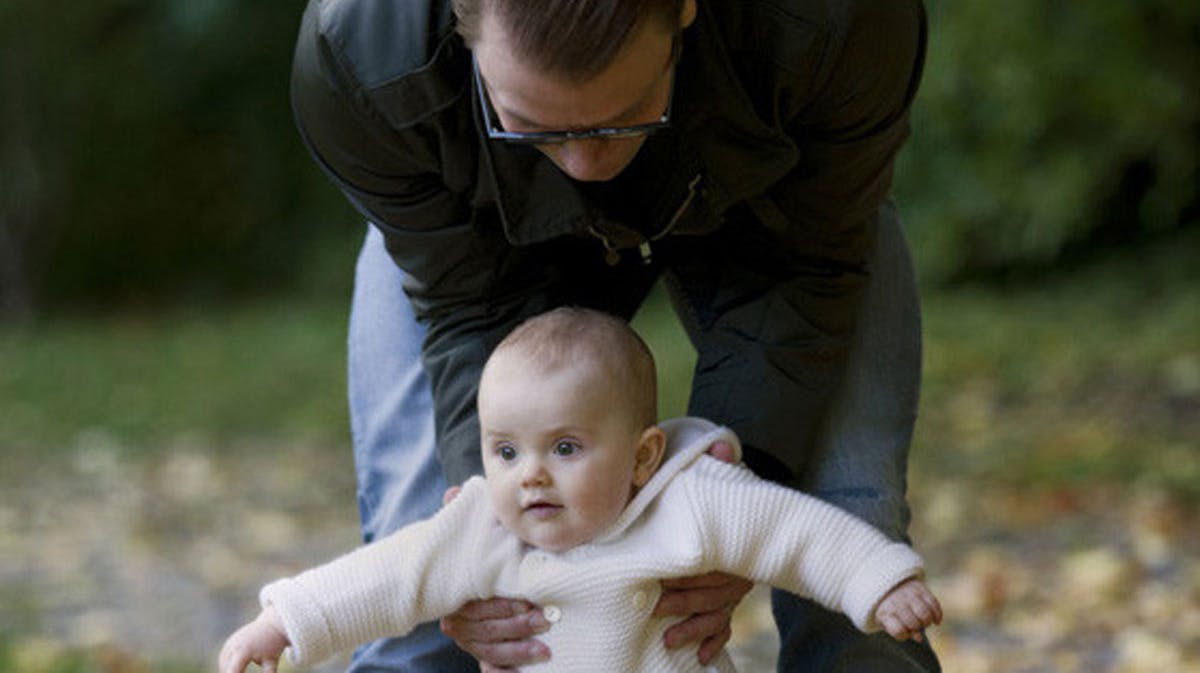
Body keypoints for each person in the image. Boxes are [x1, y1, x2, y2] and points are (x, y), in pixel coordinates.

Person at [290, 0, 932, 669]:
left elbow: (811, 265)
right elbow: (467, 302)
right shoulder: (363, 56)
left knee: (850, 517)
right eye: (530, 123)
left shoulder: (837, 20)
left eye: (624, 114)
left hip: (779, 223)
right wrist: (488, 519)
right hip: (481, 241)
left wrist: (743, 484)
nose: (585, 165)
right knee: (426, 549)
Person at [219, 308, 942, 673]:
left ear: (642, 456)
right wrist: (283, 622)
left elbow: (796, 531)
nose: (530, 473)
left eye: (565, 448)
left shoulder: (690, 499)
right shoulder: (483, 528)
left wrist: (876, 579)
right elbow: (387, 576)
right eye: (505, 451)